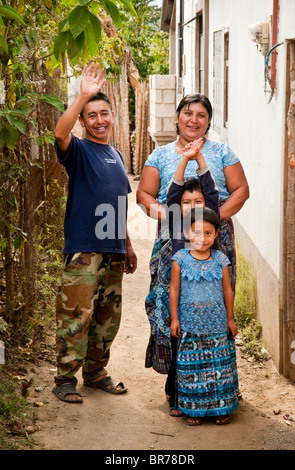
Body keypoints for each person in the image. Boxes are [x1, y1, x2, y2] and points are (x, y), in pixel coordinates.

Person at [136, 93, 249, 379]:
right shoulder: (159, 155)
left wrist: (210, 221)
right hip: (172, 243)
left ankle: (220, 380)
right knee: (171, 304)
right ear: (177, 117)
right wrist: (175, 219)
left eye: (201, 115)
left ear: (209, 121)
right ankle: (178, 383)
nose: (193, 120)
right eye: (188, 113)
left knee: (215, 306)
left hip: (216, 240)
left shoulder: (223, 153)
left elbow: (241, 191)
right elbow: (144, 194)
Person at [52, 62, 137, 403]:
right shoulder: (79, 151)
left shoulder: (116, 155)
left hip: (114, 251)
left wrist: (127, 245)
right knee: (76, 315)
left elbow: (118, 205)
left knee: (106, 317)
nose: (99, 120)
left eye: (104, 113)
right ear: (84, 121)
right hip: (85, 249)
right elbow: (60, 133)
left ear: (113, 115)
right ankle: (64, 380)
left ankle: (96, 372)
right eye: (92, 115)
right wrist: (82, 95)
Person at [157, 138, 220, 414]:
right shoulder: (176, 224)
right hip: (182, 306)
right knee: (179, 348)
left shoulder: (209, 226)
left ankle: (212, 395)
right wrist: (185, 158)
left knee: (209, 350)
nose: (192, 205)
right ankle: (176, 396)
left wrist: (200, 160)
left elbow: (213, 192)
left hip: (209, 305)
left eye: (198, 201)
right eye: (186, 202)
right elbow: (172, 192)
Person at [170, 207, 239, 425]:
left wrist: (230, 319)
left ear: (217, 233)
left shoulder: (220, 260)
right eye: (196, 233)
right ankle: (193, 411)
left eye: (208, 233)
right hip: (190, 324)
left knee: (219, 368)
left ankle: (222, 409)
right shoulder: (179, 259)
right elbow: (174, 290)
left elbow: (227, 290)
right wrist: (174, 318)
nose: (202, 238)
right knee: (192, 369)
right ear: (187, 233)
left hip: (217, 324)